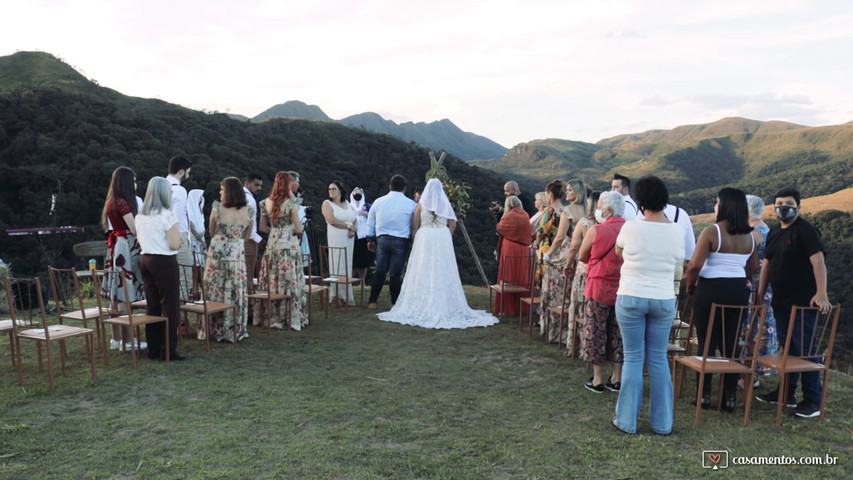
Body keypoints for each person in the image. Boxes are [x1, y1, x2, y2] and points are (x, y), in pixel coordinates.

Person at [613, 176, 684, 435]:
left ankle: (627, 421)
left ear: (641, 201)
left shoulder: (631, 227)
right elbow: (679, 259)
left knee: (633, 358)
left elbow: (618, 252)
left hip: (631, 295)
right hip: (663, 299)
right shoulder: (677, 230)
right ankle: (663, 424)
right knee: (658, 359)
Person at [378, 179, 498, 328]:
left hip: (425, 237)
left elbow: (414, 226)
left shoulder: (421, 205)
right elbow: (453, 225)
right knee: (442, 269)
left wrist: (414, 241)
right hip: (442, 237)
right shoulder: (446, 205)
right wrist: (446, 236)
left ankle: (421, 300)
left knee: (423, 268)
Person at [755, 187, 831, 419]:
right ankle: (786, 394)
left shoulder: (806, 230)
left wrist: (822, 293)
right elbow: (767, 264)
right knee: (789, 349)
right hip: (780, 301)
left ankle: (812, 400)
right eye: (779, 203)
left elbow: (818, 261)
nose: (783, 207)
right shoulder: (776, 232)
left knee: (805, 350)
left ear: (798, 207)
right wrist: (760, 294)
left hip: (803, 302)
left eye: (788, 203)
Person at [684, 187, 758, 412]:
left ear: (724, 206)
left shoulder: (711, 232)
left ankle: (704, 396)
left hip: (711, 290)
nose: (715, 206)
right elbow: (752, 268)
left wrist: (690, 285)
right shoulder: (750, 236)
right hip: (737, 291)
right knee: (731, 344)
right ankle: (729, 398)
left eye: (717, 203)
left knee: (707, 342)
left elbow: (695, 265)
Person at [578, 191, 626, 393]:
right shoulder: (629, 229)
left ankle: (597, 379)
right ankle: (617, 377)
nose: (598, 210)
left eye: (599, 206)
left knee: (596, 331)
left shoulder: (596, 230)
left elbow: (582, 255)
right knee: (618, 332)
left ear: (608, 210)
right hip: (623, 286)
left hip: (598, 287)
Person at [135, 177, 186, 361]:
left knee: (153, 305)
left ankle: (153, 348)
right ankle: (169, 350)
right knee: (170, 306)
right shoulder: (167, 215)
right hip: (164, 261)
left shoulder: (140, 216)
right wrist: (180, 240)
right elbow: (173, 244)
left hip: (145, 258)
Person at [100, 166, 146, 352]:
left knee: (116, 293)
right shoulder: (123, 203)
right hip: (126, 246)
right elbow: (134, 228)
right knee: (124, 295)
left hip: (117, 245)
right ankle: (128, 340)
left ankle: (116, 338)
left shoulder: (112, 201)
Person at [202, 177, 253, 342]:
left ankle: (214, 328)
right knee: (234, 290)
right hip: (236, 253)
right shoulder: (249, 211)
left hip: (218, 250)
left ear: (228, 191)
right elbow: (247, 235)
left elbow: (211, 230)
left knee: (215, 288)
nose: (219, 192)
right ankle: (233, 327)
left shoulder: (217, 207)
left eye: (222, 189)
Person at [256, 172, 307, 330]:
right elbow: (298, 228)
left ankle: (271, 316)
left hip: (272, 244)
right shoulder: (291, 204)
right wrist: (296, 230)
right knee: (289, 280)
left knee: (273, 278)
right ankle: (290, 317)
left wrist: (275, 230)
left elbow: (261, 227)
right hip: (288, 246)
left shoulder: (265, 202)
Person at [540, 178, 587, 343]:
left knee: (557, 295)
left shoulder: (568, 211)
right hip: (583, 257)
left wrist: (549, 254)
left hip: (567, 255)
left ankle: (554, 332)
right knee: (575, 297)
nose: (566, 193)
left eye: (570, 190)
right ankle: (575, 334)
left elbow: (560, 237)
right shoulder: (588, 210)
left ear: (577, 192)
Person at [366, 175, 417, 309]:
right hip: (401, 240)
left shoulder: (378, 202)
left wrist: (370, 238)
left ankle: (372, 301)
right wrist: (412, 240)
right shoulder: (411, 204)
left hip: (382, 239)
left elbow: (371, 221)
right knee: (395, 274)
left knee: (380, 271)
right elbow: (413, 225)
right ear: (404, 188)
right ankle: (395, 303)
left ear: (390, 186)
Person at [743, 194, 777, 382]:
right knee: (759, 323)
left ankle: (751, 372)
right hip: (763, 284)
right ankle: (753, 371)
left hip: (756, 285)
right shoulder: (764, 228)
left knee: (754, 324)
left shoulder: (755, 232)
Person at [564, 191, 600, 356]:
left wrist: (567, 264)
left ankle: (576, 345)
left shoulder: (584, 223)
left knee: (578, 306)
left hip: (584, 269)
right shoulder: (607, 225)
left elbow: (573, 248)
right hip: (601, 272)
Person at [494, 195, 533, 316]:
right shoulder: (525, 215)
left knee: (508, 275)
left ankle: (507, 308)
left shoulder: (509, 215)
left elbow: (500, 229)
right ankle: (520, 307)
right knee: (520, 276)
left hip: (510, 247)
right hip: (523, 249)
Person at [322, 179, 357, 307]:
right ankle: (337, 295)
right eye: (329, 189)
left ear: (340, 191)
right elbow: (331, 220)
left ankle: (346, 295)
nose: (331, 191)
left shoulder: (348, 204)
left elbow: (354, 218)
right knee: (337, 263)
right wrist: (348, 227)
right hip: (336, 236)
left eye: (334, 189)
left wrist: (354, 228)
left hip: (349, 238)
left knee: (347, 264)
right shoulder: (327, 204)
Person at [167, 155, 194, 295]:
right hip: (179, 236)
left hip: (161, 238)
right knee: (184, 278)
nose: (188, 176)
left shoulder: (160, 186)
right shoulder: (179, 190)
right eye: (188, 173)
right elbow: (176, 216)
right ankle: (180, 314)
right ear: (181, 172)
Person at [533, 180, 564, 295]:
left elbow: (541, 231)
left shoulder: (549, 211)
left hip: (547, 247)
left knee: (546, 279)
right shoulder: (564, 210)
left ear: (550, 194)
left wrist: (536, 242)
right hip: (560, 248)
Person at [243, 173, 263, 291]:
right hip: (249, 240)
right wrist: (260, 240)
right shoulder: (249, 200)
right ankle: (249, 303)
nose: (259, 188)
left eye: (260, 185)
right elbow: (249, 225)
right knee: (248, 272)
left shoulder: (237, 196)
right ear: (247, 183)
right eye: (256, 185)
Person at [350, 187, 374, 285]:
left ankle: (362, 282)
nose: (357, 194)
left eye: (359, 192)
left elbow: (374, 217)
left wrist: (365, 213)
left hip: (364, 237)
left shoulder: (367, 206)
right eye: (355, 192)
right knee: (353, 261)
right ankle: (349, 282)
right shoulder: (349, 206)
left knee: (363, 262)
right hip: (353, 236)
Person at [187, 189, 207, 266]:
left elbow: (202, 224)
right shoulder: (189, 210)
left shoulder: (199, 210)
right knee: (196, 262)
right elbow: (191, 226)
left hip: (201, 238)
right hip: (194, 239)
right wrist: (199, 238)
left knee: (203, 263)